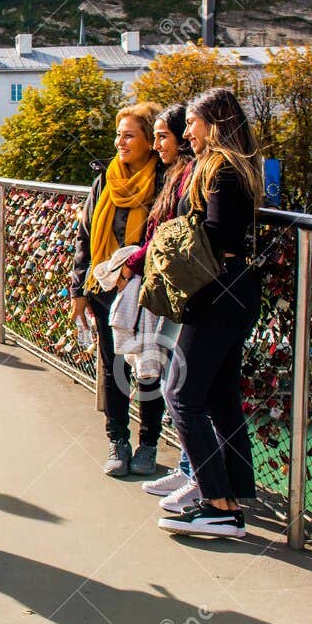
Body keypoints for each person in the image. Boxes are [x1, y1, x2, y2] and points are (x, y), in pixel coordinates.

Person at [158, 88, 263, 539]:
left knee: (180, 392)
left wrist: (172, 236)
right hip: (233, 291)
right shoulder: (232, 167)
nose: (187, 132)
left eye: (193, 124)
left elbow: (220, 233)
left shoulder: (221, 169)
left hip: (218, 293)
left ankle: (217, 504)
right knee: (219, 397)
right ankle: (232, 497)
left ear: (213, 124)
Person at [70, 103, 163, 478]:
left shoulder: (164, 180)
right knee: (113, 367)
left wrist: (133, 269)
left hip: (147, 290)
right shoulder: (105, 180)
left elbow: (165, 238)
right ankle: (117, 440)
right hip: (106, 287)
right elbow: (85, 236)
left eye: (129, 135)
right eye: (118, 134)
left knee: (148, 368)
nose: (120, 142)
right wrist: (79, 289)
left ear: (148, 142)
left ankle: (150, 443)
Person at [131, 105, 200, 513]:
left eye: (162, 137)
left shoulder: (190, 178)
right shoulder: (178, 175)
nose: (157, 146)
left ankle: (198, 476)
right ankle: (190, 469)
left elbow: (171, 237)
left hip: (188, 293)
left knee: (187, 386)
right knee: (180, 382)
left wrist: (135, 262)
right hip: (175, 291)